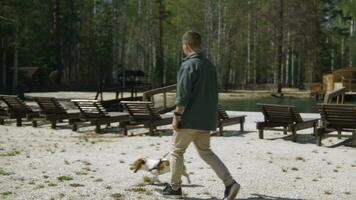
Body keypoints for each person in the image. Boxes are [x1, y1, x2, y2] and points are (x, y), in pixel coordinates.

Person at [161, 31, 240, 200]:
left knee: (176, 151)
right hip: (207, 119)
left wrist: (177, 115)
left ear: (186, 45)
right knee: (206, 152)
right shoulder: (209, 65)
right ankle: (230, 183)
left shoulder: (189, 65)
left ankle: (175, 188)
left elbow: (183, 94)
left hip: (189, 119)